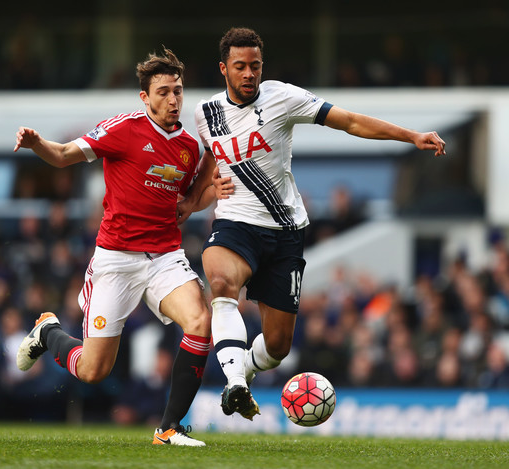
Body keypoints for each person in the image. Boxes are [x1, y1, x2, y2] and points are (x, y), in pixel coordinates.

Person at [179, 27, 446, 420]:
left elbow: (350, 121)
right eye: (240, 67)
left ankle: (247, 372)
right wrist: (191, 201)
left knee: (277, 347)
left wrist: (411, 136)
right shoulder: (206, 113)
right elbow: (210, 159)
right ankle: (234, 382)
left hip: (286, 232)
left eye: (255, 66)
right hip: (236, 222)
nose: (249, 73)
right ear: (224, 69)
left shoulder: (283, 97)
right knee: (219, 283)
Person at [13, 47, 212, 446]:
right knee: (92, 370)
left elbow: (196, 192)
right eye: (163, 92)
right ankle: (48, 332)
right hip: (116, 260)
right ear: (145, 96)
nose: (173, 100)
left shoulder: (190, 146)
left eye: (178, 91)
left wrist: (198, 200)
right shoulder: (124, 129)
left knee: (200, 323)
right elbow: (67, 154)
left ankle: (168, 429)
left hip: (165, 257)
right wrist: (38, 145)